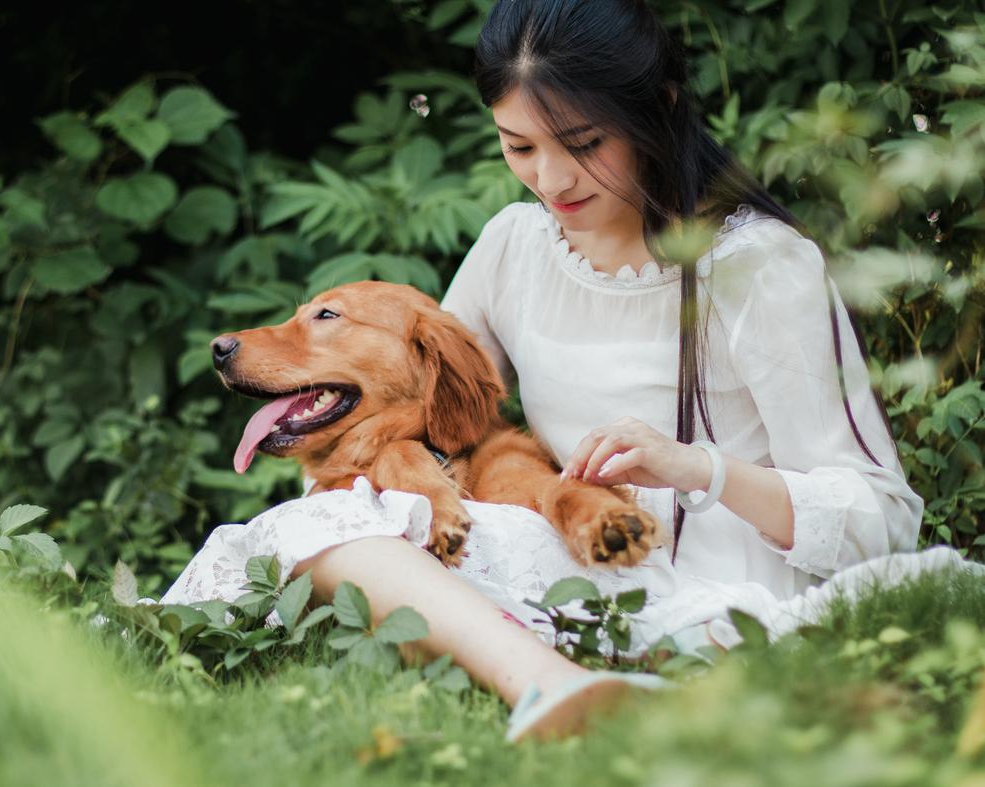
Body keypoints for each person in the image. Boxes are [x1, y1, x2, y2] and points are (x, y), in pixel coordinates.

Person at [160, 0, 967, 742]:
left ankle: (557, 670)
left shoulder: (759, 266)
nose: (551, 179)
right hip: (569, 563)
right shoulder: (514, 248)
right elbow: (432, 415)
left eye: (583, 144)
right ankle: (554, 682)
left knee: (346, 541)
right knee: (334, 521)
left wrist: (697, 468)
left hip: (726, 596)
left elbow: (883, 517)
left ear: (658, 109)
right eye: (519, 147)